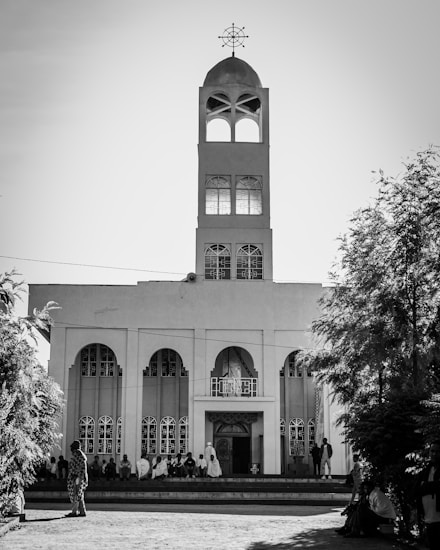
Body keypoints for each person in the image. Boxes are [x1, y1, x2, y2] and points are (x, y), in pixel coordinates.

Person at [416, 439, 440, 550]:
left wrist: (425, 486)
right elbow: (416, 489)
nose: (434, 454)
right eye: (432, 451)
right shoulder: (426, 470)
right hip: (429, 518)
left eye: (437, 451)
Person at [66, 440, 88, 517]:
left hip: (77, 477)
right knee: (80, 494)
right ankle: (82, 511)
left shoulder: (77, 454)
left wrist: (74, 475)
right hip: (81, 477)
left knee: (75, 494)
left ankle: (74, 512)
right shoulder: (81, 455)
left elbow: (76, 467)